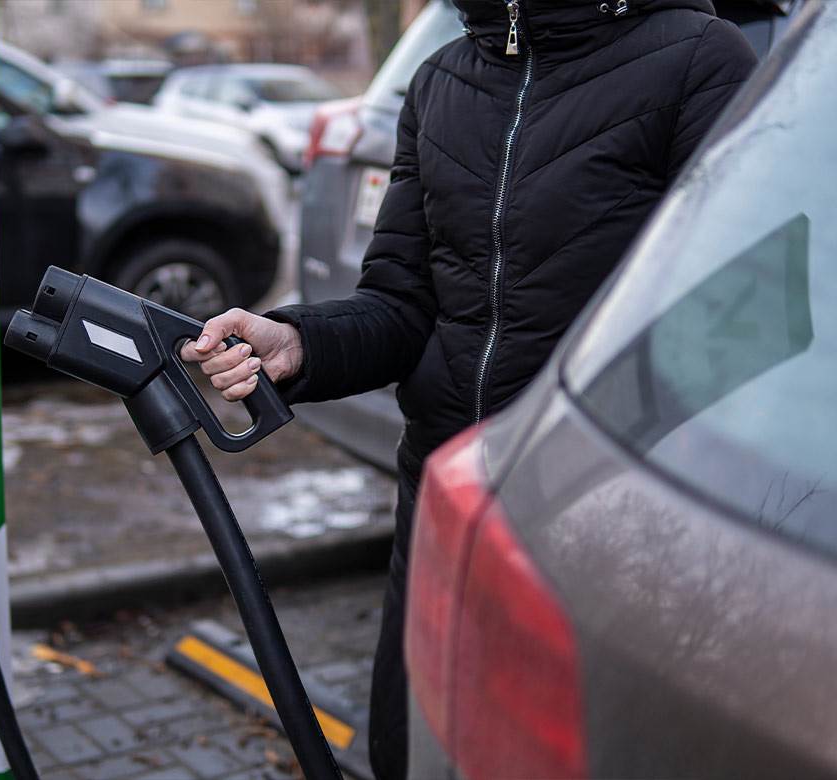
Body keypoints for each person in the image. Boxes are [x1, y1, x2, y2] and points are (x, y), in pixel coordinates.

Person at [182, 0, 757, 776]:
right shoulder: (442, 80)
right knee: (412, 747)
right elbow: (401, 303)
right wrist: (300, 341)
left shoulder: (700, 60)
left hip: (608, 524)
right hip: (446, 503)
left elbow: (736, 323)